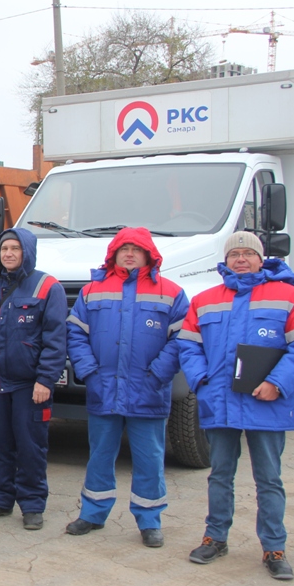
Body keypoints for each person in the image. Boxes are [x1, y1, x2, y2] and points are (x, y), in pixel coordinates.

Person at [178, 231, 294, 581]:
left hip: (267, 404)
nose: (240, 259)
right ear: (225, 261)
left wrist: (277, 383)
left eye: (248, 253)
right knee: (220, 475)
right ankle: (215, 537)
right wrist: (203, 382)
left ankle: (274, 547)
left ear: (261, 259)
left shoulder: (290, 297)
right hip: (221, 403)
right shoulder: (206, 299)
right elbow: (188, 345)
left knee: (269, 479)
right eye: (234, 254)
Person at [64, 228, 188, 546]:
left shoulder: (171, 292)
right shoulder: (93, 290)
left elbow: (181, 339)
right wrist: (90, 372)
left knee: (149, 459)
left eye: (136, 249)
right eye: (123, 248)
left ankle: (149, 520)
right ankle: (92, 513)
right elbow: (75, 333)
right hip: (103, 388)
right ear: (113, 254)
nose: (129, 253)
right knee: (100, 455)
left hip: (149, 390)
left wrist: (158, 374)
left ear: (149, 254)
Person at [0, 227, 67, 531]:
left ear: (27, 252)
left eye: (15, 248)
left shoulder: (48, 287)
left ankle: (33, 505)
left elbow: (56, 339)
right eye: (3, 248)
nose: (8, 253)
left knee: (30, 446)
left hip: (30, 386)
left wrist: (45, 380)